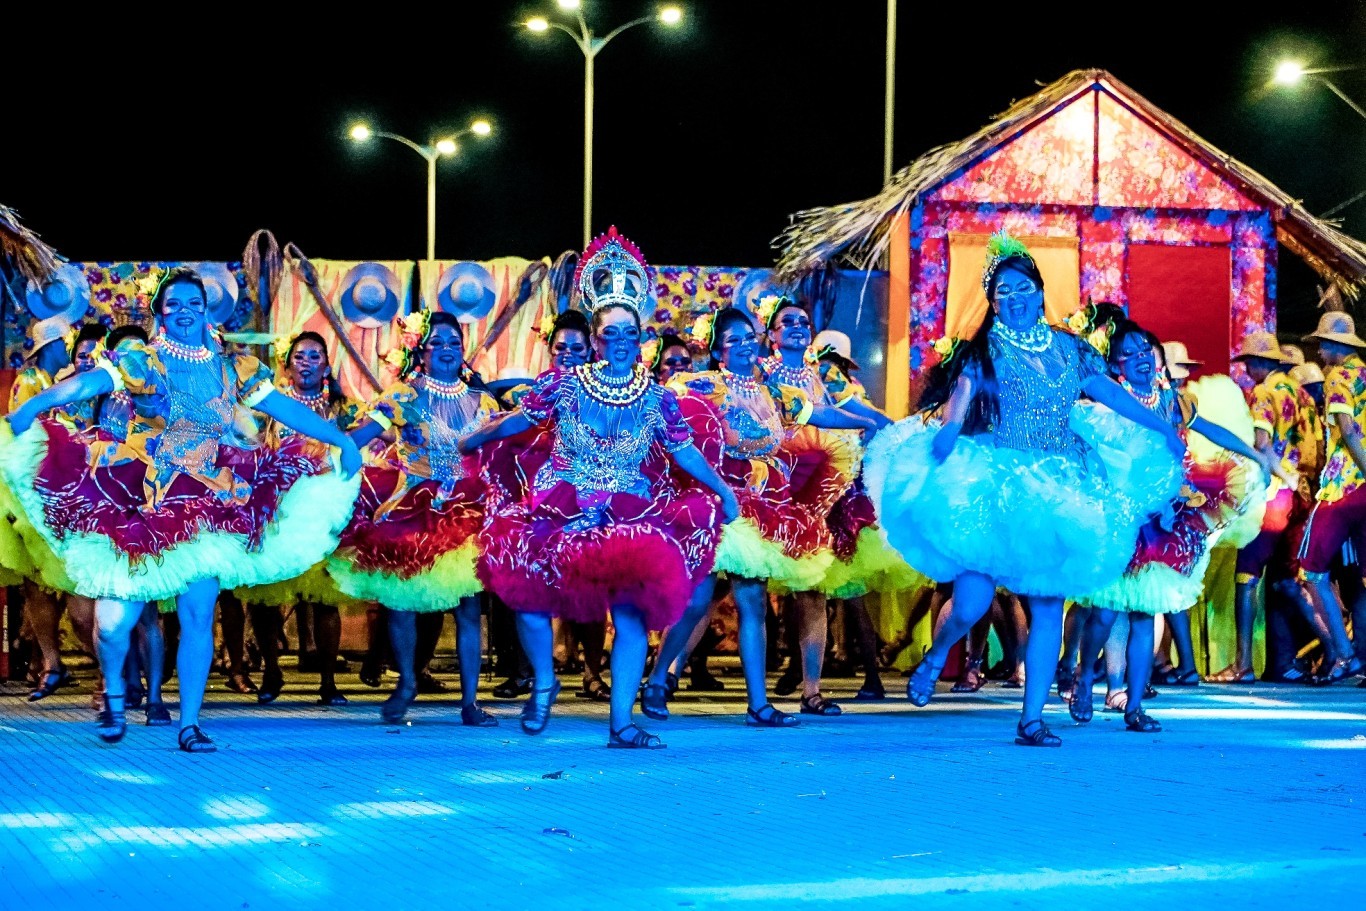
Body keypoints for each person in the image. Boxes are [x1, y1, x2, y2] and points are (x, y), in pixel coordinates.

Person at [1, 267, 362, 752]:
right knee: (113, 625)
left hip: (208, 504)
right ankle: (112, 692)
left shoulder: (237, 367)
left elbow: (284, 409)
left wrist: (337, 437)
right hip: (144, 501)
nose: (186, 310)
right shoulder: (141, 360)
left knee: (197, 615)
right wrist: (32, 406)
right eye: (175, 303)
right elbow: (86, 385)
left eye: (195, 302)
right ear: (160, 312)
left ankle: (189, 724)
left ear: (208, 309)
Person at [862, 233, 1184, 747]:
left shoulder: (1070, 348)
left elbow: (1104, 392)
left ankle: (1031, 719)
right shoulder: (983, 349)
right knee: (972, 600)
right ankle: (933, 656)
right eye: (1000, 293)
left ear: (1038, 289)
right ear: (992, 302)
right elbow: (961, 397)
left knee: (1049, 605)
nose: (1012, 299)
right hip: (997, 478)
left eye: (1020, 288)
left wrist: (1159, 425)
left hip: (1060, 484)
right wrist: (946, 434)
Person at [465, 226, 739, 747]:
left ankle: (621, 724)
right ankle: (544, 682)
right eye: (608, 333)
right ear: (594, 339)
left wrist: (722, 489)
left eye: (627, 334)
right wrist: (477, 437)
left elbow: (683, 451)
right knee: (527, 596)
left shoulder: (659, 397)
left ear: (640, 339)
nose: (618, 342)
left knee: (632, 616)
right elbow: (519, 422)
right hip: (563, 500)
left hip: (631, 510)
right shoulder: (562, 383)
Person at [642, 303, 878, 728]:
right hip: (714, 504)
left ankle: (759, 705)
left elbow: (821, 413)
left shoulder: (775, 393)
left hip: (761, 510)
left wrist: (873, 423)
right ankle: (659, 677)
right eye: (734, 341)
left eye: (749, 337)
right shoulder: (703, 385)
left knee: (752, 603)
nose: (746, 346)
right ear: (718, 351)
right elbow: (664, 408)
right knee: (696, 602)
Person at [1071, 320, 1278, 732]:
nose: (1142, 358)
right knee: (1106, 613)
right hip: (1123, 519)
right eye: (1130, 353)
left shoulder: (1172, 401)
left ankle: (1134, 705)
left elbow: (1212, 430)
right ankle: (1081, 678)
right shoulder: (1109, 404)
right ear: (1115, 365)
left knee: (1147, 612)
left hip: (1163, 520)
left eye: (1147, 349)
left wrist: (1255, 456)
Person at [331, 310, 500, 726]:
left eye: (453, 343)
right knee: (402, 602)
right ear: (420, 351)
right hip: (413, 504)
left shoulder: (486, 401)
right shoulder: (402, 396)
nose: (446, 350)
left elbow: (498, 455)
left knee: (468, 607)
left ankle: (470, 702)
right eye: (436, 343)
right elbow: (361, 436)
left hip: (466, 510)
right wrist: (327, 446)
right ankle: (406, 681)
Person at [759, 295, 893, 715]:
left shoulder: (824, 374)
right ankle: (664, 677)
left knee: (812, 590)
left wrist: (899, 429)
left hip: (816, 493)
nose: (798, 326)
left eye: (803, 321)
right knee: (733, 588)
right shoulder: (759, 372)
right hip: (768, 487)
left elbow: (859, 411)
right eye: (787, 322)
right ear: (772, 334)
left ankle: (811, 691)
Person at [231, 331, 365, 706]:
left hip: (323, 509)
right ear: (287, 364)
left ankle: (327, 680)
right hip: (278, 505)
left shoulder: (344, 408)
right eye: (300, 356)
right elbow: (249, 441)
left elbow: (364, 441)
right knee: (266, 594)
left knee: (325, 598)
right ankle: (271, 672)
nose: (307, 362)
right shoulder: (268, 405)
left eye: (315, 355)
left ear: (326, 363)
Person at [1215, 332, 1315, 683]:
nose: (1248, 371)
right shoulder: (1300, 392)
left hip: (1276, 492)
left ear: (1258, 364)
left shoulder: (1262, 393)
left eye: (1249, 365)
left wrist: (1277, 475)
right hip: (1303, 492)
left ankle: (1242, 664)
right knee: (1287, 580)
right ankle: (1341, 651)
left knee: (1247, 574)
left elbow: (1262, 444)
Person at [1293, 312, 1366, 684]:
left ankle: (1344, 654)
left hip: (1344, 487)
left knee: (1311, 572)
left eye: (1323, 343)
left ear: (1338, 346)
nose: (1319, 351)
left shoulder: (1338, 377)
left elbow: (1348, 430)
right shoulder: (1365, 373)